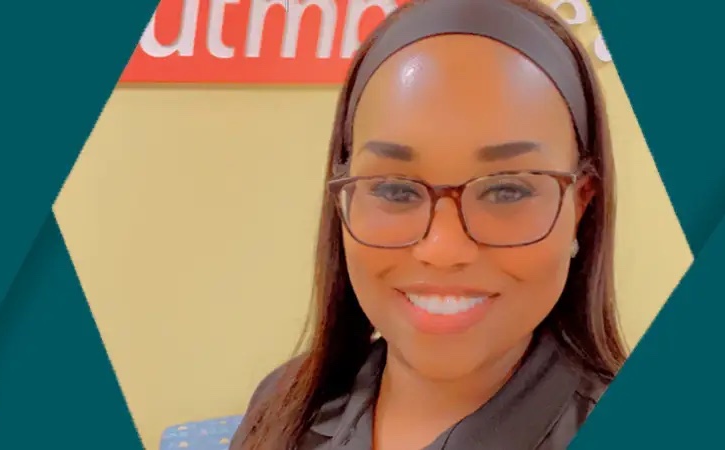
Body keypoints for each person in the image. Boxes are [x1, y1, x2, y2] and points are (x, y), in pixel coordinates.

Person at [230, 0, 626, 448]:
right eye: (396, 190)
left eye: (507, 191)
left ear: (580, 205)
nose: (442, 248)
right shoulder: (285, 404)